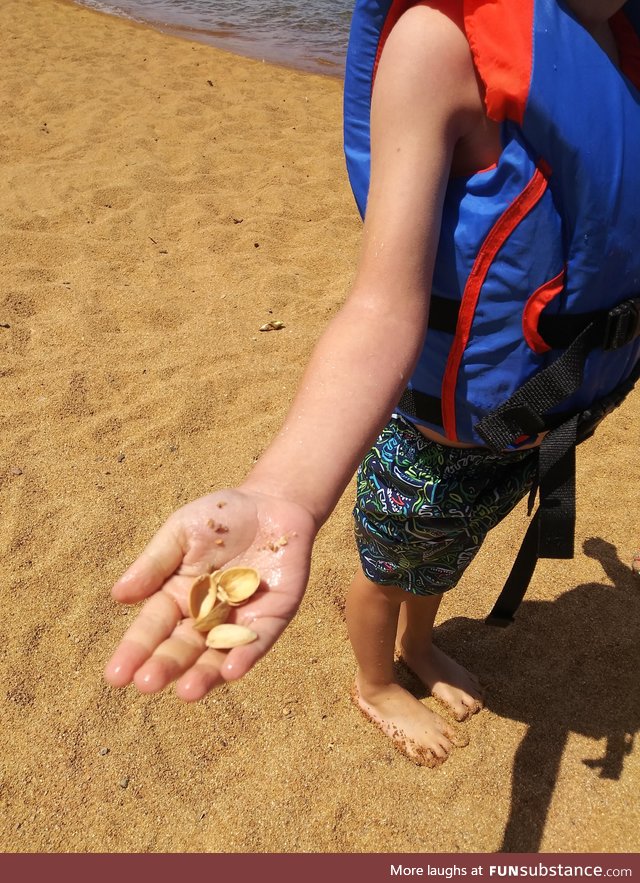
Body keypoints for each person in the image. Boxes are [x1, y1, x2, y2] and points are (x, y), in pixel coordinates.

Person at [105, 0, 640, 766]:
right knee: (386, 570)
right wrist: (285, 488)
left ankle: (418, 646)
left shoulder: (618, 40)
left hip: (524, 427)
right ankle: (375, 679)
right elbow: (382, 304)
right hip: (430, 441)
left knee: (445, 557)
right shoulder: (438, 45)